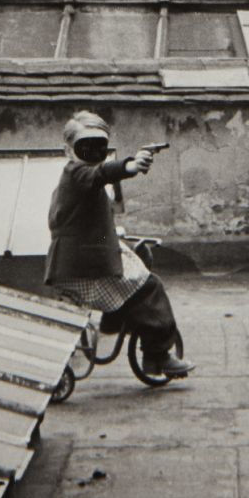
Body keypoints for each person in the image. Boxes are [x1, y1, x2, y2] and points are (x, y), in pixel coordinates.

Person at [44, 110, 193, 380]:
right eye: (84, 147)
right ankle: (157, 356)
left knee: (138, 254)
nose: (92, 153)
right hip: (83, 270)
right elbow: (102, 173)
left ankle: (116, 318)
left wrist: (114, 239)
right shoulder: (78, 174)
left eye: (98, 147)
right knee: (150, 287)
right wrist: (131, 166)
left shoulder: (77, 177)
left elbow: (88, 223)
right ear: (68, 151)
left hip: (76, 260)